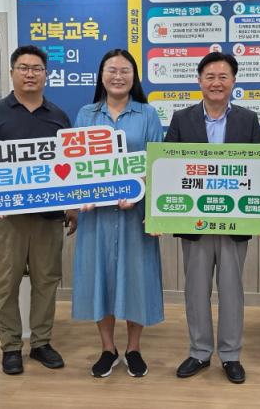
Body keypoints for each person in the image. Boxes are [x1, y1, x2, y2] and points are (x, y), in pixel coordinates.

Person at [0, 45, 77, 375]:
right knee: (6, 284)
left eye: (37, 68)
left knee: (47, 281)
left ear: (46, 75)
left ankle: (41, 343)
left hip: (49, 217)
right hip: (8, 218)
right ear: (12, 72)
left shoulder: (59, 116)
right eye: (24, 68)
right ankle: (11, 347)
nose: (30, 74)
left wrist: (72, 207)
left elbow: (71, 166)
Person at [165, 51, 260, 384]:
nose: (216, 83)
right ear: (199, 81)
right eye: (210, 76)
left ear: (233, 81)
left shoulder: (248, 119)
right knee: (195, 290)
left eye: (223, 77)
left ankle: (231, 355)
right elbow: (168, 167)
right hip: (194, 222)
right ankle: (200, 352)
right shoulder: (182, 119)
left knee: (232, 290)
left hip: (236, 222)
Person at [71, 49, 164, 378]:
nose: (118, 76)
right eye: (111, 70)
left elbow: (156, 163)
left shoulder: (147, 114)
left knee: (136, 278)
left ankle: (133, 348)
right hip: (96, 216)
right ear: (101, 75)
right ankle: (108, 349)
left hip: (134, 215)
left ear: (134, 77)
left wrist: (137, 193)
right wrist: (83, 195)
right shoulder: (86, 114)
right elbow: (76, 164)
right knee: (101, 278)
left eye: (125, 70)